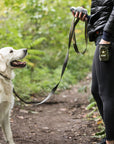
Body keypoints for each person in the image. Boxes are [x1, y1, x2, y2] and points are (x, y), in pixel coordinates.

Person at [71, 1, 114, 144]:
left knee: (107, 94)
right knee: (96, 90)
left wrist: (107, 35)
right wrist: (89, 18)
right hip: (103, 37)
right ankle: (111, 134)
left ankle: (111, 140)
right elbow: (105, 12)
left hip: (108, 38)